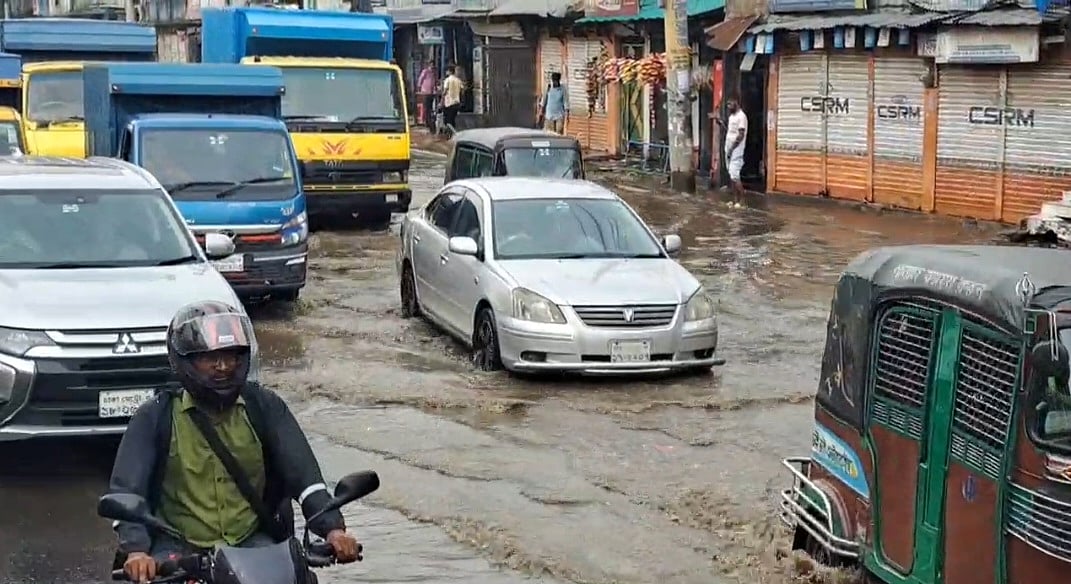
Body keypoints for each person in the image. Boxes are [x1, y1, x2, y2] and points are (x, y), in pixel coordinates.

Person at [108, 301, 362, 584]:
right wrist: (136, 552)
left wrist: (333, 530)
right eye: (210, 358)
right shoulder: (155, 416)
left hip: (252, 543)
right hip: (179, 549)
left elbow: (305, 478)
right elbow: (127, 493)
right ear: (185, 360)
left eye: (232, 357)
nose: (223, 367)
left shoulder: (265, 407)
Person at [724, 98, 748, 208]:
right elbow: (730, 131)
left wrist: (732, 148)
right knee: (731, 174)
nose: (728, 106)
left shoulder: (741, 117)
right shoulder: (731, 116)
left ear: (736, 103)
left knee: (735, 174)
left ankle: (742, 202)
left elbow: (740, 135)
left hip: (736, 149)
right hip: (729, 147)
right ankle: (735, 200)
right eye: (727, 104)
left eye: (730, 104)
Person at [441, 65, 464, 135]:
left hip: (448, 103)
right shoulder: (458, 80)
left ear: (450, 71)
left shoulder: (447, 80)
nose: (446, 72)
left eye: (447, 71)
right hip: (456, 102)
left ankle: (450, 134)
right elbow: (462, 90)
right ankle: (452, 133)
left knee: (448, 120)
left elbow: (444, 91)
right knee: (453, 119)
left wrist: (441, 99)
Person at [417, 60, 438, 128]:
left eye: (433, 65)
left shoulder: (434, 73)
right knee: (426, 107)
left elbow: (435, 81)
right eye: (431, 65)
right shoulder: (425, 71)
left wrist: (435, 89)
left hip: (431, 92)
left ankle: (429, 121)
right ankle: (427, 122)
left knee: (430, 107)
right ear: (429, 65)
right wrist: (419, 87)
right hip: (425, 92)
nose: (432, 66)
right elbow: (420, 79)